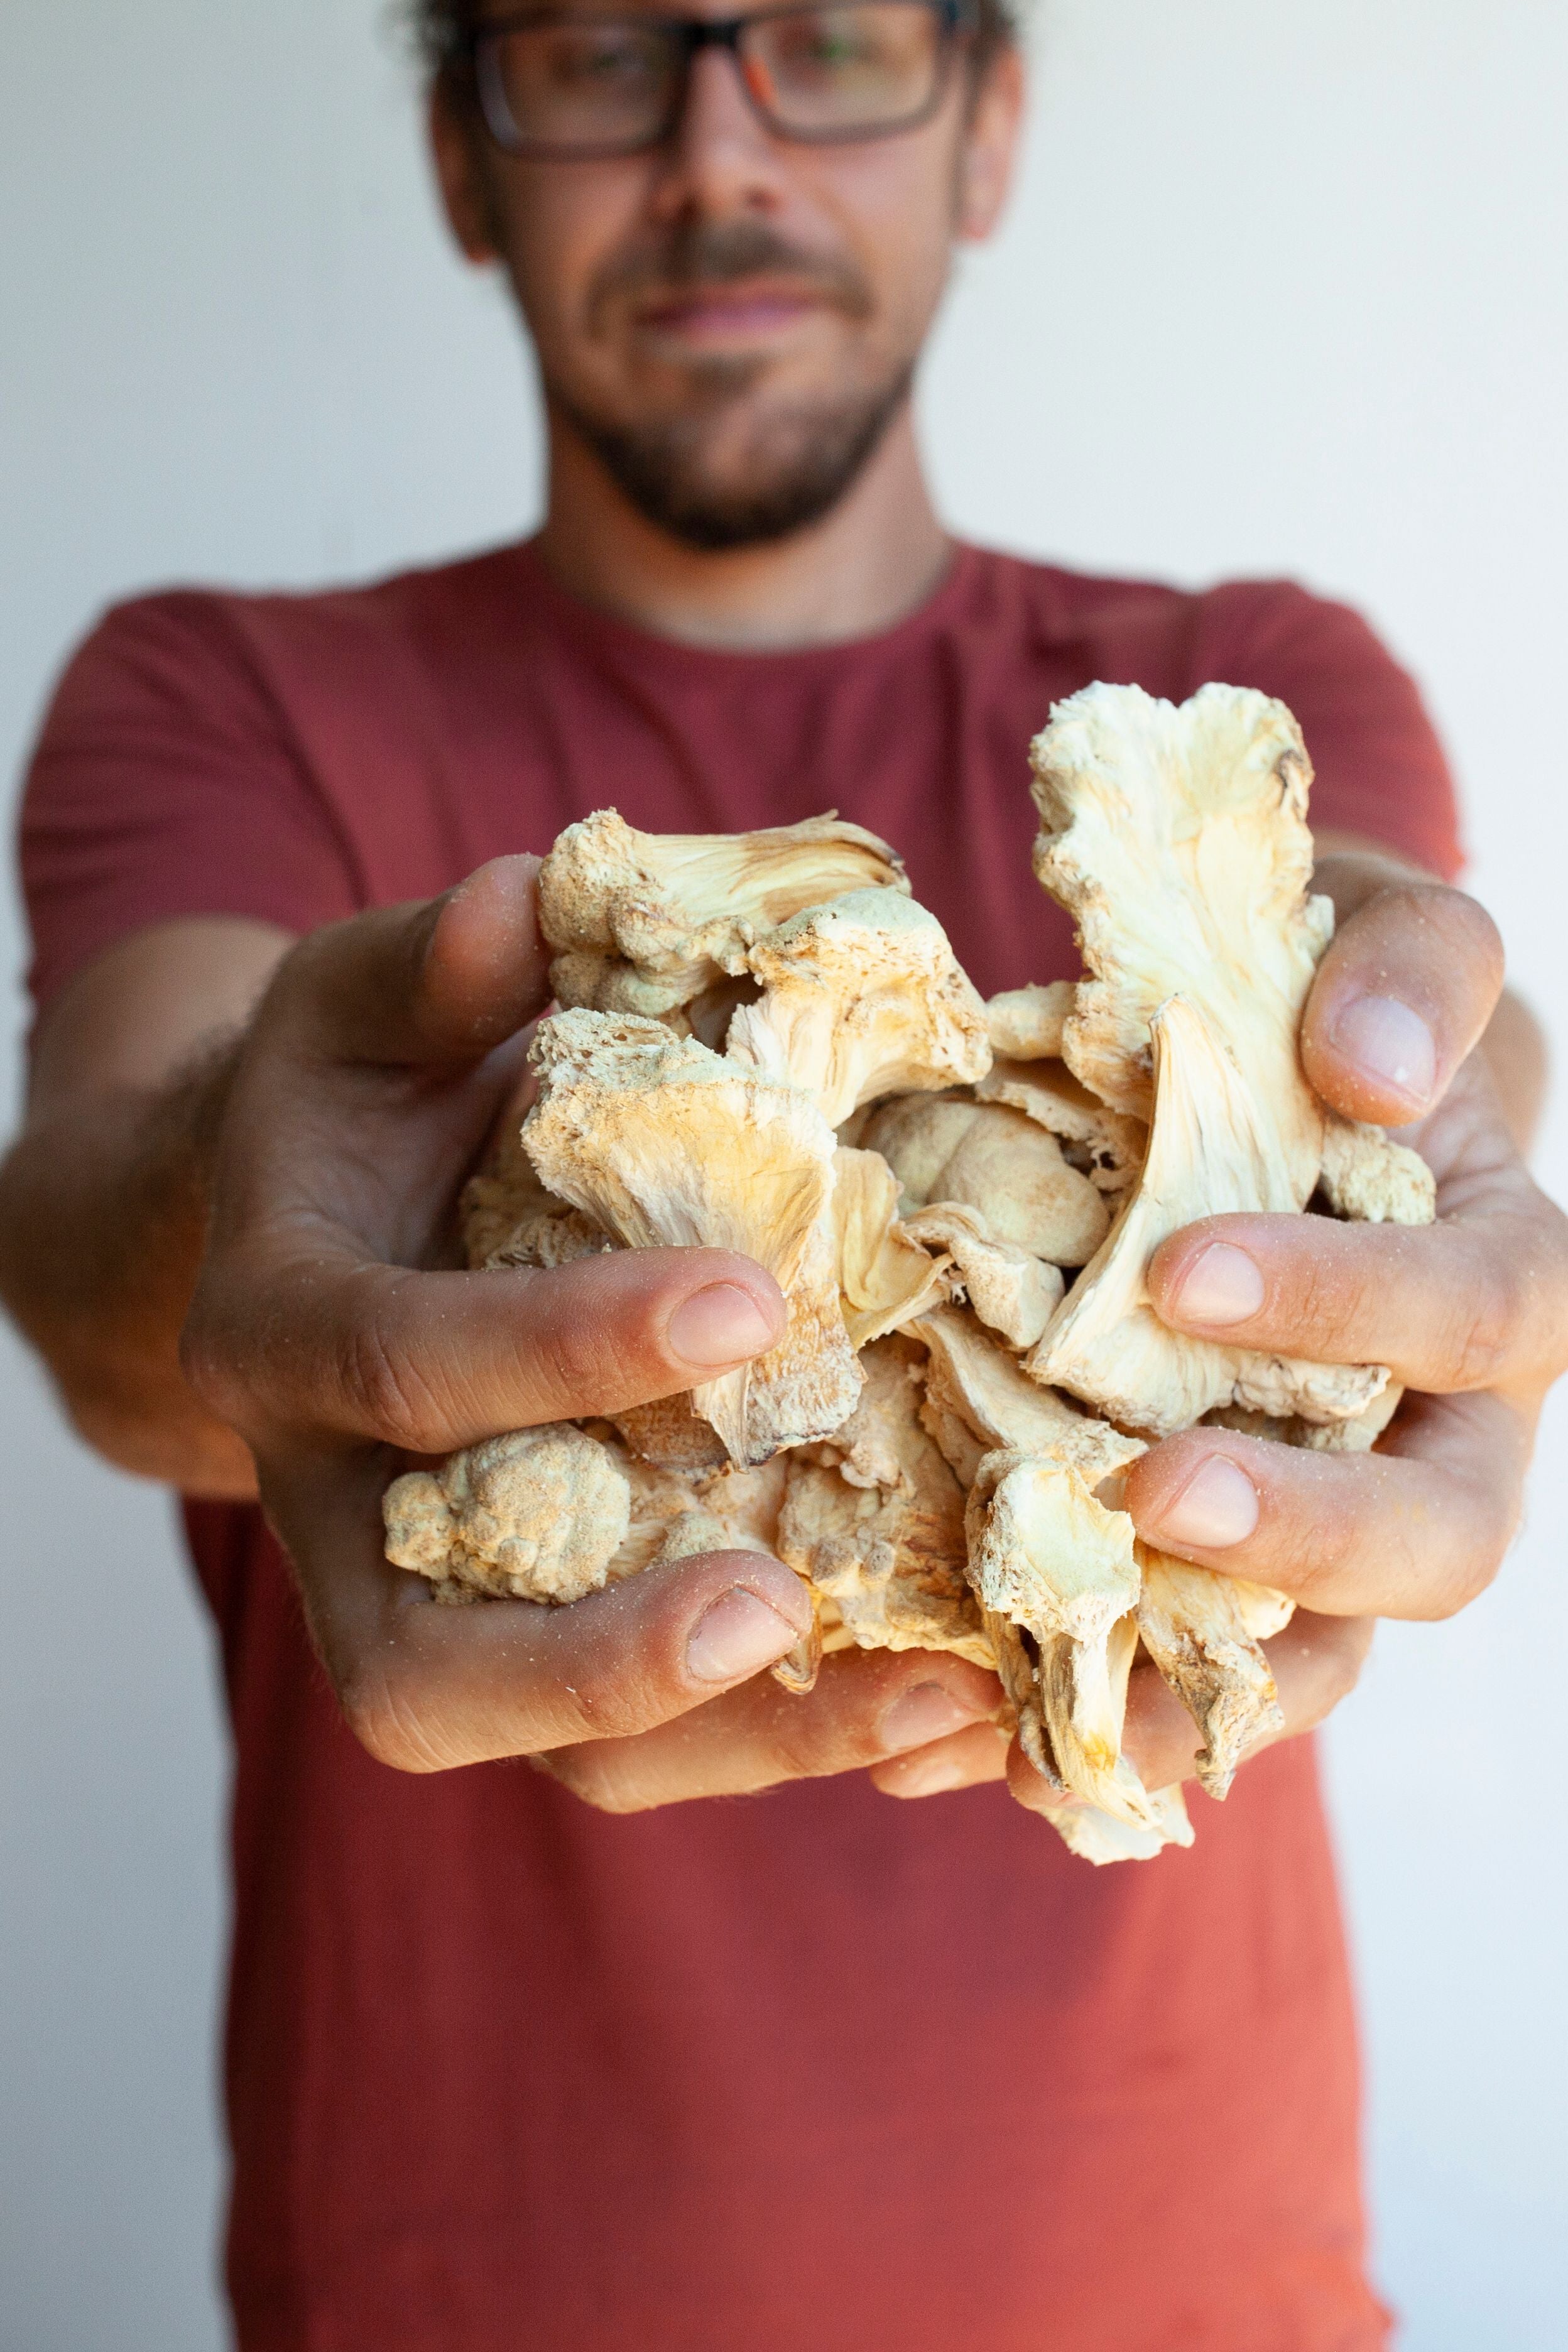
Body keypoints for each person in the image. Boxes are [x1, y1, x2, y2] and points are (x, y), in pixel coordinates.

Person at [3, 1, 1564, 2344]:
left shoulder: (1240, 669)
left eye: (828, 43)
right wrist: (240, 1209)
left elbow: (1374, 977)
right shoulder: (223, 698)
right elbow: (103, 1246)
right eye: (604, 51)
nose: (719, 147)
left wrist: (1404, 1059)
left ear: (990, 123)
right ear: (460, 155)